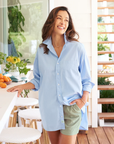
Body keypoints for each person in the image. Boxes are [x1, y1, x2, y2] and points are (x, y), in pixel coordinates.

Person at [7, 6, 94, 144]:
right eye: (59, 18)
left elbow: (86, 80)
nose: (63, 22)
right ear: (51, 21)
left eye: (66, 20)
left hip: (72, 106)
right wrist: (22, 86)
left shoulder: (77, 48)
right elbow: (38, 79)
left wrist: (83, 101)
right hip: (50, 108)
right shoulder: (42, 50)